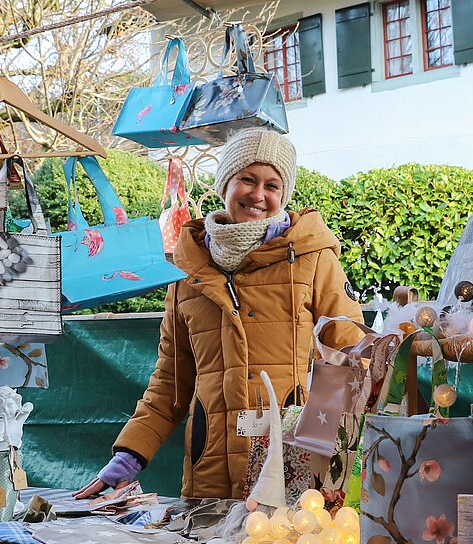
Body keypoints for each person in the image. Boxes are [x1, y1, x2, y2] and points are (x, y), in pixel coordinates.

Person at [76, 128, 365, 500]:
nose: (258, 195)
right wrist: (129, 456)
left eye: (272, 185)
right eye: (247, 178)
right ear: (225, 183)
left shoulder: (313, 260)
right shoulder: (187, 273)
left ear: (284, 194)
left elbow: (349, 362)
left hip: (292, 472)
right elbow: (170, 382)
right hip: (209, 474)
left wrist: (323, 457)